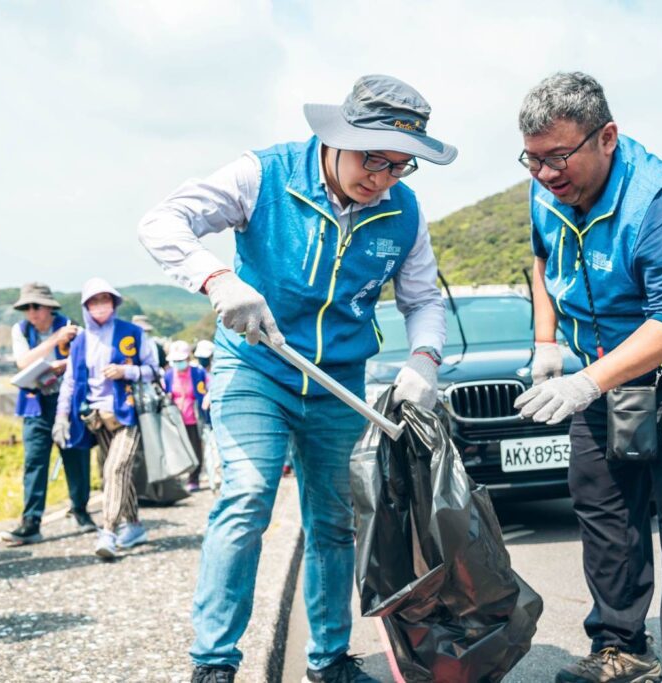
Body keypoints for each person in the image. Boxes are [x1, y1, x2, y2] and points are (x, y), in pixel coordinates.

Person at [139, 74, 453, 683]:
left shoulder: (403, 212)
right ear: (338, 137)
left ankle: (329, 659)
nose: (383, 178)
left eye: (400, 166)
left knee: (335, 522)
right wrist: (217, 280)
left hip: (337, 382)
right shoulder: (263, 175)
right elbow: (163, 221)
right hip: (255, 365)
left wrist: (424, 361)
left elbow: (423, 299)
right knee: (248, 498)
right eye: (373, 159)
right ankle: (214, 662)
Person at [513, 72, 662, 683]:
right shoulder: (547, 191)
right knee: (601, 497)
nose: (546, 175)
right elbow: (542, 258)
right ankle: (621, 646)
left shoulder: (660, 203)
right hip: (611, 362)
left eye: (559, 158)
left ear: (607, 138)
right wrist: (547, 342)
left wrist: (585, 383)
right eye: (533, 159)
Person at [53, 278, 159, 559]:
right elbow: (71, 382)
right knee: (114, 473)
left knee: (115, 469)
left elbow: (153, 369)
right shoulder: (80, 342)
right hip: (96, 417)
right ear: (86, 306)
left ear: (114, 303)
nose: (101, 306)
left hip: (128, 414)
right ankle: (134, 526)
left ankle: (109, 532)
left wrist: (127, 372)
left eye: (106, 300)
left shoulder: (132, 333)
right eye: (94, 301)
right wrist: (61, 415)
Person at [2, 282, 95, 546]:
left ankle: (81, 508)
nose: (32, 312)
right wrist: (55, 341)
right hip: (35, 402)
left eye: (37, 306)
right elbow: (23, 362)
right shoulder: (20, 330)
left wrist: (64, 364)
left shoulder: (71, 326)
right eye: (27, 307)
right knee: (35, 461)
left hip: (67, 400)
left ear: (49, 307)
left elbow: (84, 361)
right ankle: (31, 521)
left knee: (76, 456)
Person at [163, 340, 210, 492]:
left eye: (180, 360)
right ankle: (177, 479)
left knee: (195, 448)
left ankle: (194, 478)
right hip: (175, 419)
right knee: (176, 450)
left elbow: (208, 388)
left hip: (193, 418)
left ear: (188, 359)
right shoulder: (169, 375)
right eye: (175, 361)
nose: (178, 363)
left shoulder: (198, 373)